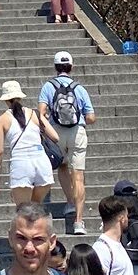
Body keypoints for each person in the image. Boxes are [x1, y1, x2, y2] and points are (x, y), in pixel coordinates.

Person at [41, 50, 96, 234]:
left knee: (63, 166)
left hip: (56, 132)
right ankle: (79, 222)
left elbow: (41, 112)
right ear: (71, 67)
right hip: (77, 132)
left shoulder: (48, 86)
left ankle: (70, 202)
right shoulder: (79, 88)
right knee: (78, 176)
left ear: (55, 67)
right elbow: (91, 117)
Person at [0, 80, 60, 208]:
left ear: (5, 100)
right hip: (42, 162)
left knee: (23, 210)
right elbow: (55, 137)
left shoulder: (2, 119)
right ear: (20, 97)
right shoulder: (35, 113)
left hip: (21, 163)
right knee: (35, 207)